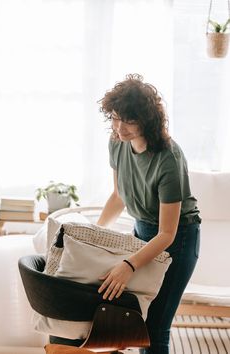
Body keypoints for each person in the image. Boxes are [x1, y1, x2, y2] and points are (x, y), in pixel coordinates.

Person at [96, 74, 201, 354]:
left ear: (147, 121)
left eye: (129, 121)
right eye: (116, 117)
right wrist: (96, 234)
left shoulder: (168, 158)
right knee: (138, 319)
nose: (120, 127)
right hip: (142, 231)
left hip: (177, 239)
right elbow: (119, 197)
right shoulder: (117, 142)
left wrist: (128, 265)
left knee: (155, 327)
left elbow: (167, 232)